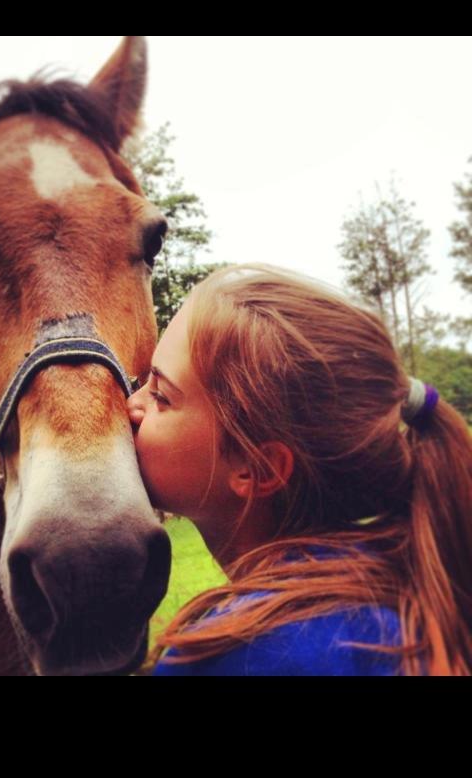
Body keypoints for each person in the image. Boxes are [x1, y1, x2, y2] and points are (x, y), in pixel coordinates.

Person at [126, 264, 472, 676]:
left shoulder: (242, 655)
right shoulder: (404, 593)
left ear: (259, 468)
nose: (132, 405)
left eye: (161, 395)